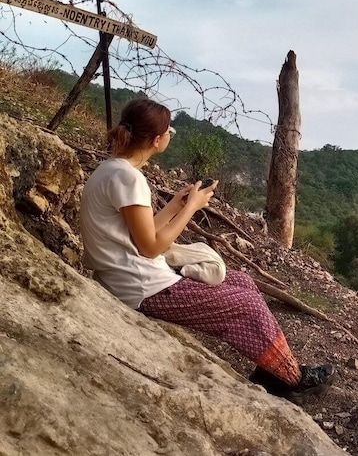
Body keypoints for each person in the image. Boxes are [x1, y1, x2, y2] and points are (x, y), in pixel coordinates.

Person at [80, 97, 334, 397]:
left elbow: (141, 233)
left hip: (132, 278)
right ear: (157, 139)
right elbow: (149, 247)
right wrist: (192, 209)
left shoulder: (112, 170)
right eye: (169, 132)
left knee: (241, 280)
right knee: (248, 305)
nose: (169, 137)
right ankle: (291, 378)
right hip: (142, 287)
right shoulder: (128, 178)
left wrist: (176, 205)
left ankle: (271, 370)